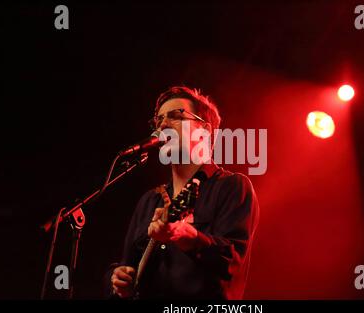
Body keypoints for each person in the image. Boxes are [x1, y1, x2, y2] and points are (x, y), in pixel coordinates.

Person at [108, 86, 259, 299]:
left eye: (175, 116)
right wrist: (118, 278)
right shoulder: (149, 201)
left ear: (204, 130)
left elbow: (232, 262)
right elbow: (127, 265)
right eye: (158, 120)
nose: (162, 124)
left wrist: (184, 234)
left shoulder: (232, 186)